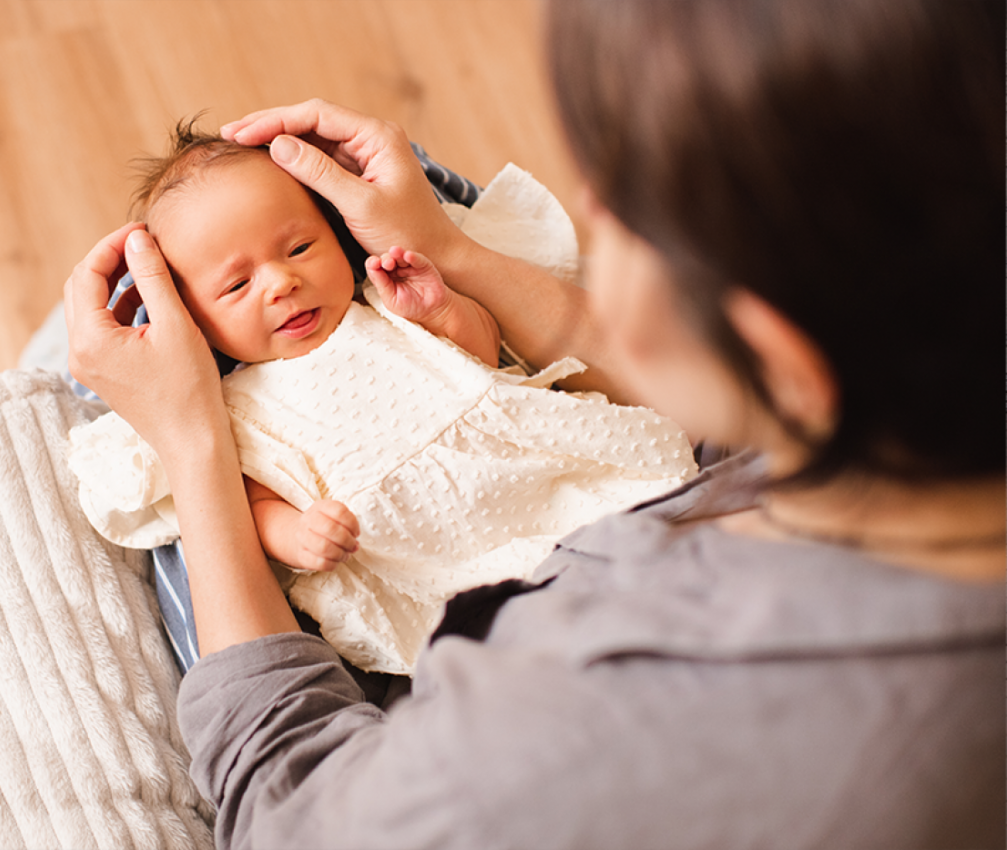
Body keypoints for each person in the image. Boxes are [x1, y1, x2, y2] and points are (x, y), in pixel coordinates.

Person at [64, 0, 1005, 846]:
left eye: (625, 208)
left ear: (778, 351)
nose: (586, 213)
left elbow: (286, 804)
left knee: (73, 372)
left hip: (455, 565)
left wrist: (190, 444)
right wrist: (449, 249)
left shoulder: (545, 749)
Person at [70, 123, 696, 674]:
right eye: (236, 285)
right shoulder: (233, 406)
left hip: (522, 471)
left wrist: (444, 313)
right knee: (498, 637)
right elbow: (253, 504)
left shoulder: (383, 305)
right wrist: (296, 534)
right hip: (415, 554)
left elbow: (485, 362)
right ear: (191, 321)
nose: (282, 281)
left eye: (299, 248)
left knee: (630, 531)